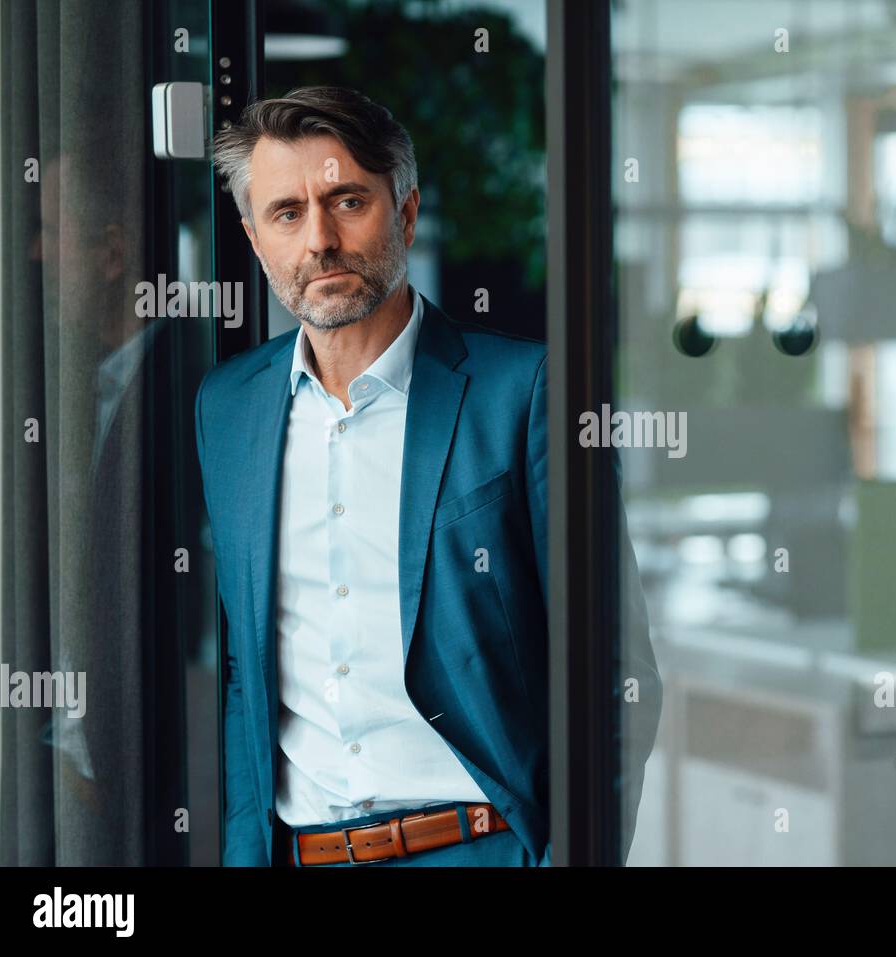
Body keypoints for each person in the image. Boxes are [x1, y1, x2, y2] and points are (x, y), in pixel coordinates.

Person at [198, 86, 661, 866]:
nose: (320, 239)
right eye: (287, 213)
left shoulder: (528, 393)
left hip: (481, 846)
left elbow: (616, 675)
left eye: (347, 200)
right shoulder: (229, 408)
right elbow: (249, 666)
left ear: (405, 212)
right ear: (253, 236)